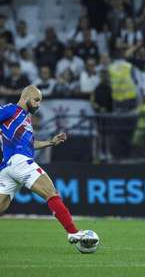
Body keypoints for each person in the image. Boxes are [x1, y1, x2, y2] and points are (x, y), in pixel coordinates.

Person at [0, 85, 97, 246]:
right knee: (51, 192)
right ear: (25, 97)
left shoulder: (25, 119)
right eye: (36, 100)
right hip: (19, 161)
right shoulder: (12, 110)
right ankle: (73, 232)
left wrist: (50, 142)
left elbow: (30, 145)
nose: (38, 104)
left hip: (8, 167)